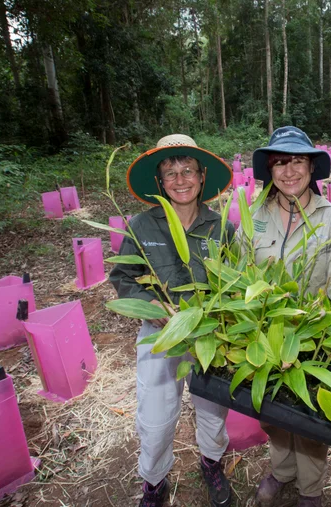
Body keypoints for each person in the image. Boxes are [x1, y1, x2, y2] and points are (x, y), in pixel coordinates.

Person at [109, 134, 235, 507]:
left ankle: (212, 464)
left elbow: (235, 281)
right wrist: (152, 306)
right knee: (155, 416)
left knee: (212, 409)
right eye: (170, 173)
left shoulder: (221, 228)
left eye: (187, 171)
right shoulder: (142, 227)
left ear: (202, 176)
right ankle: (154, 480)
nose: (180, 180)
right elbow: (122, 278)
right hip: (158, 336)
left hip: (208, 336)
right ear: (160, 182)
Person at [246, 126, 331, 507]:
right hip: (266, 336)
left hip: (316, 337)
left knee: (310, 417)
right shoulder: (254, 216)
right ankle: (281, 471)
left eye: (297, 161)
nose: (289, 170)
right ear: (269, 169)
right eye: (280, 162)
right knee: (272, 413)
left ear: (311, 167)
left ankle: (311, 489)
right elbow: (243, 277)